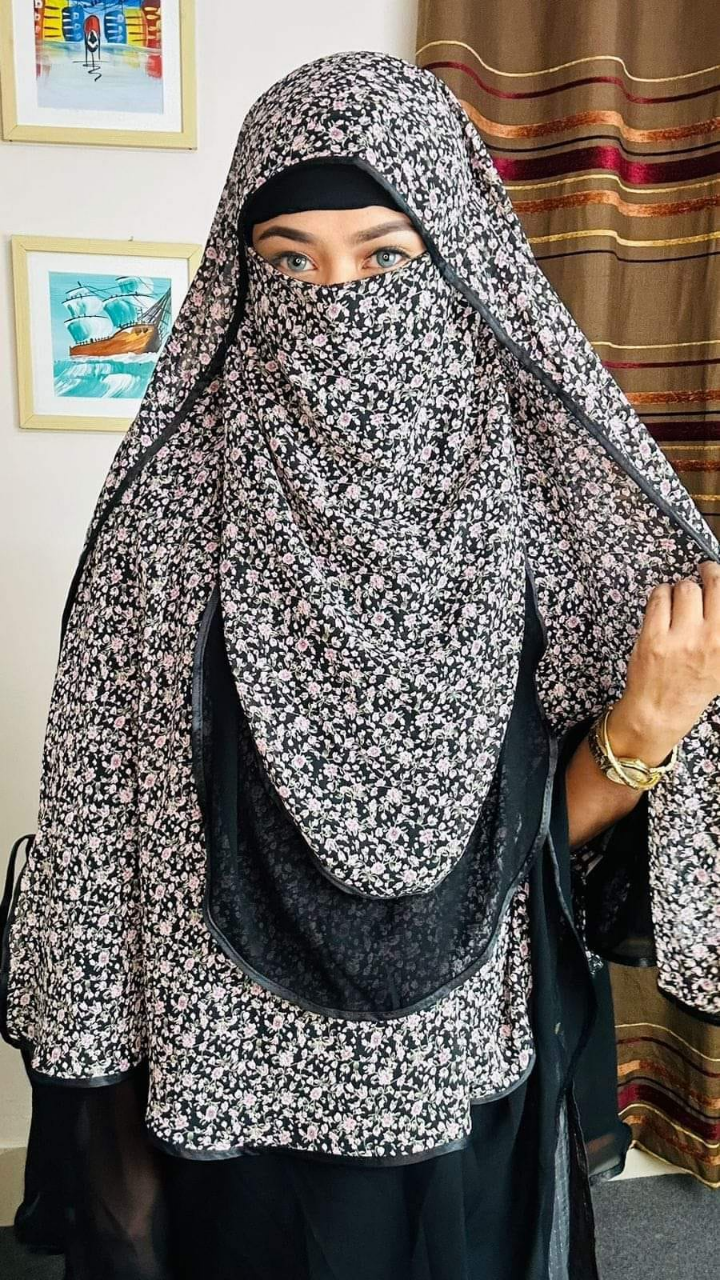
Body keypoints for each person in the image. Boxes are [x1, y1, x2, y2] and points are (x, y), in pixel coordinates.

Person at [2, 49, 719, 1280]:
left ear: (456, 262)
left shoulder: (546, 512)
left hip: (461, 1078)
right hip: (232, 1098)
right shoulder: (165, 524)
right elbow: (105, 852)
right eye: (289, 263)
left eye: (385, 257)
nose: (336, 300)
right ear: (240, 280)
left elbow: (535, 857)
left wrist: (645, 732)